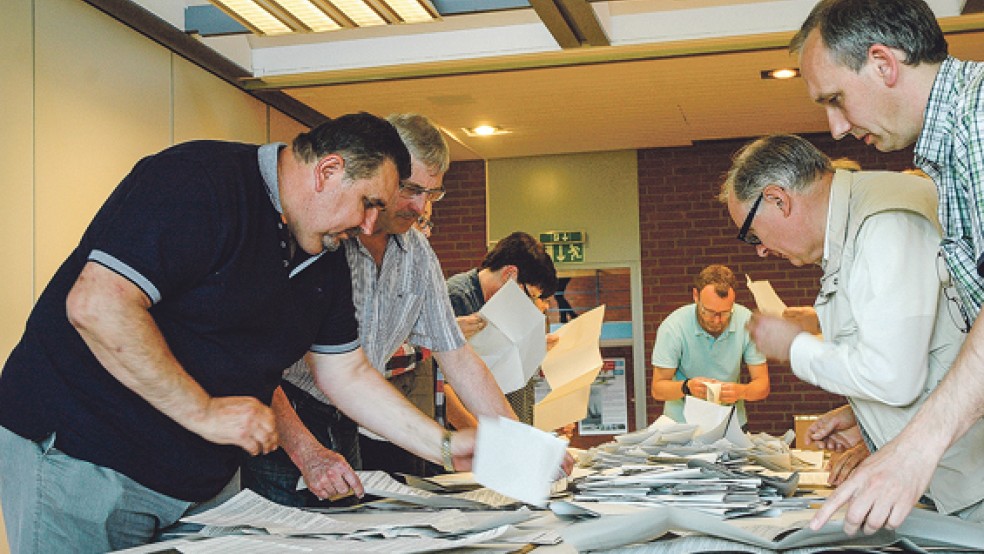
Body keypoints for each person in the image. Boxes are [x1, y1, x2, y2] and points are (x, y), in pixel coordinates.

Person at [0, 112, 482, 553]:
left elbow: (347, 374)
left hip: (198, 480)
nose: (370, 223)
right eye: (368, 203)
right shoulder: (198, 181)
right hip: (85, 457)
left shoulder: (325, 253)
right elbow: (98, 304)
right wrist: (203, 411)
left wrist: (440, 444)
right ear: (328, 171)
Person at [241, 114, 516, 506]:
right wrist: (305, 449)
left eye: (433, 194)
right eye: (409, 189)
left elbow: (456, 355)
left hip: (354, 413)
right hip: (287, 413)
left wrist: (520, 443)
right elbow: (254, 361)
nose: (421, 207)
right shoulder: (321, 238)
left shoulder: (417, 253)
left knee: (353, 530)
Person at [722, 132, 984, 527]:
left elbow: (892, 377)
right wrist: (863, 417)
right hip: (955, 481)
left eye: (753, 234)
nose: (760, 249)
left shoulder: (884, 222)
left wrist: (795, 347)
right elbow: (929, 351)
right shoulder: (859, 222)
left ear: (778, 199)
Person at [790, 0, 984, 533]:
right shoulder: (950, 143)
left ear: (883, 63)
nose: (834, 128)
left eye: (835, 99)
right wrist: (878, 427)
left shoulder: (980, 119)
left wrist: (914, 450)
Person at [444, 231, 559, 428]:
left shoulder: (499, 305)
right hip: (464, 437)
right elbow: (443, 388)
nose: (530, 305)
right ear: (509, 274)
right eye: (530, 295)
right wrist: (484, 438)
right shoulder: (456, 298)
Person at [649, 264, 769, 427]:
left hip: (731, 423)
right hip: (681, 425)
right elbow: (658, 389)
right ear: (696, 296)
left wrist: (741, 391)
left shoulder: (748, 322)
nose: (717, 320)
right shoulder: (673, 327)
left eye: (726, 312)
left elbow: (762, 385)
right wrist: (687, 387)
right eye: (709, 311)